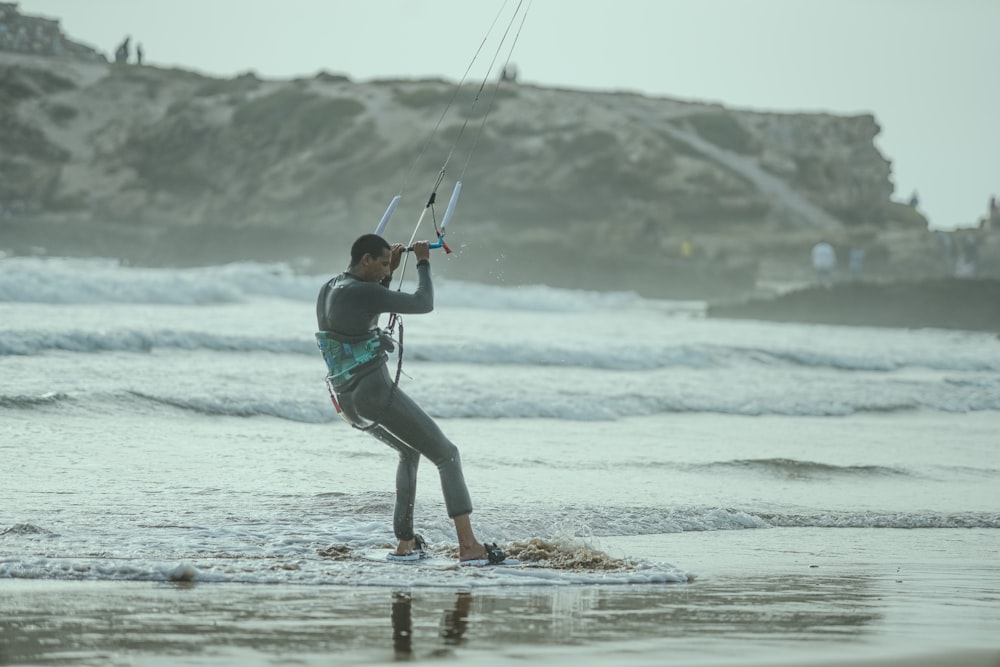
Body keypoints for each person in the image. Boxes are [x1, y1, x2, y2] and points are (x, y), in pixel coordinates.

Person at [315, 233, 505, 565]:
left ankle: (405, 543)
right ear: (366, 260)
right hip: (374, 393)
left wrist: (388, 273)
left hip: (346, 400)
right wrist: (422, 262)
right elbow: (423, 302)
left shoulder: (330, 288)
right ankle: (469, 546)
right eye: (384, 263)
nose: (386, 270)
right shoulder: (365, 291)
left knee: (409, 451)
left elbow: (364, 312)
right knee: (447, 455)